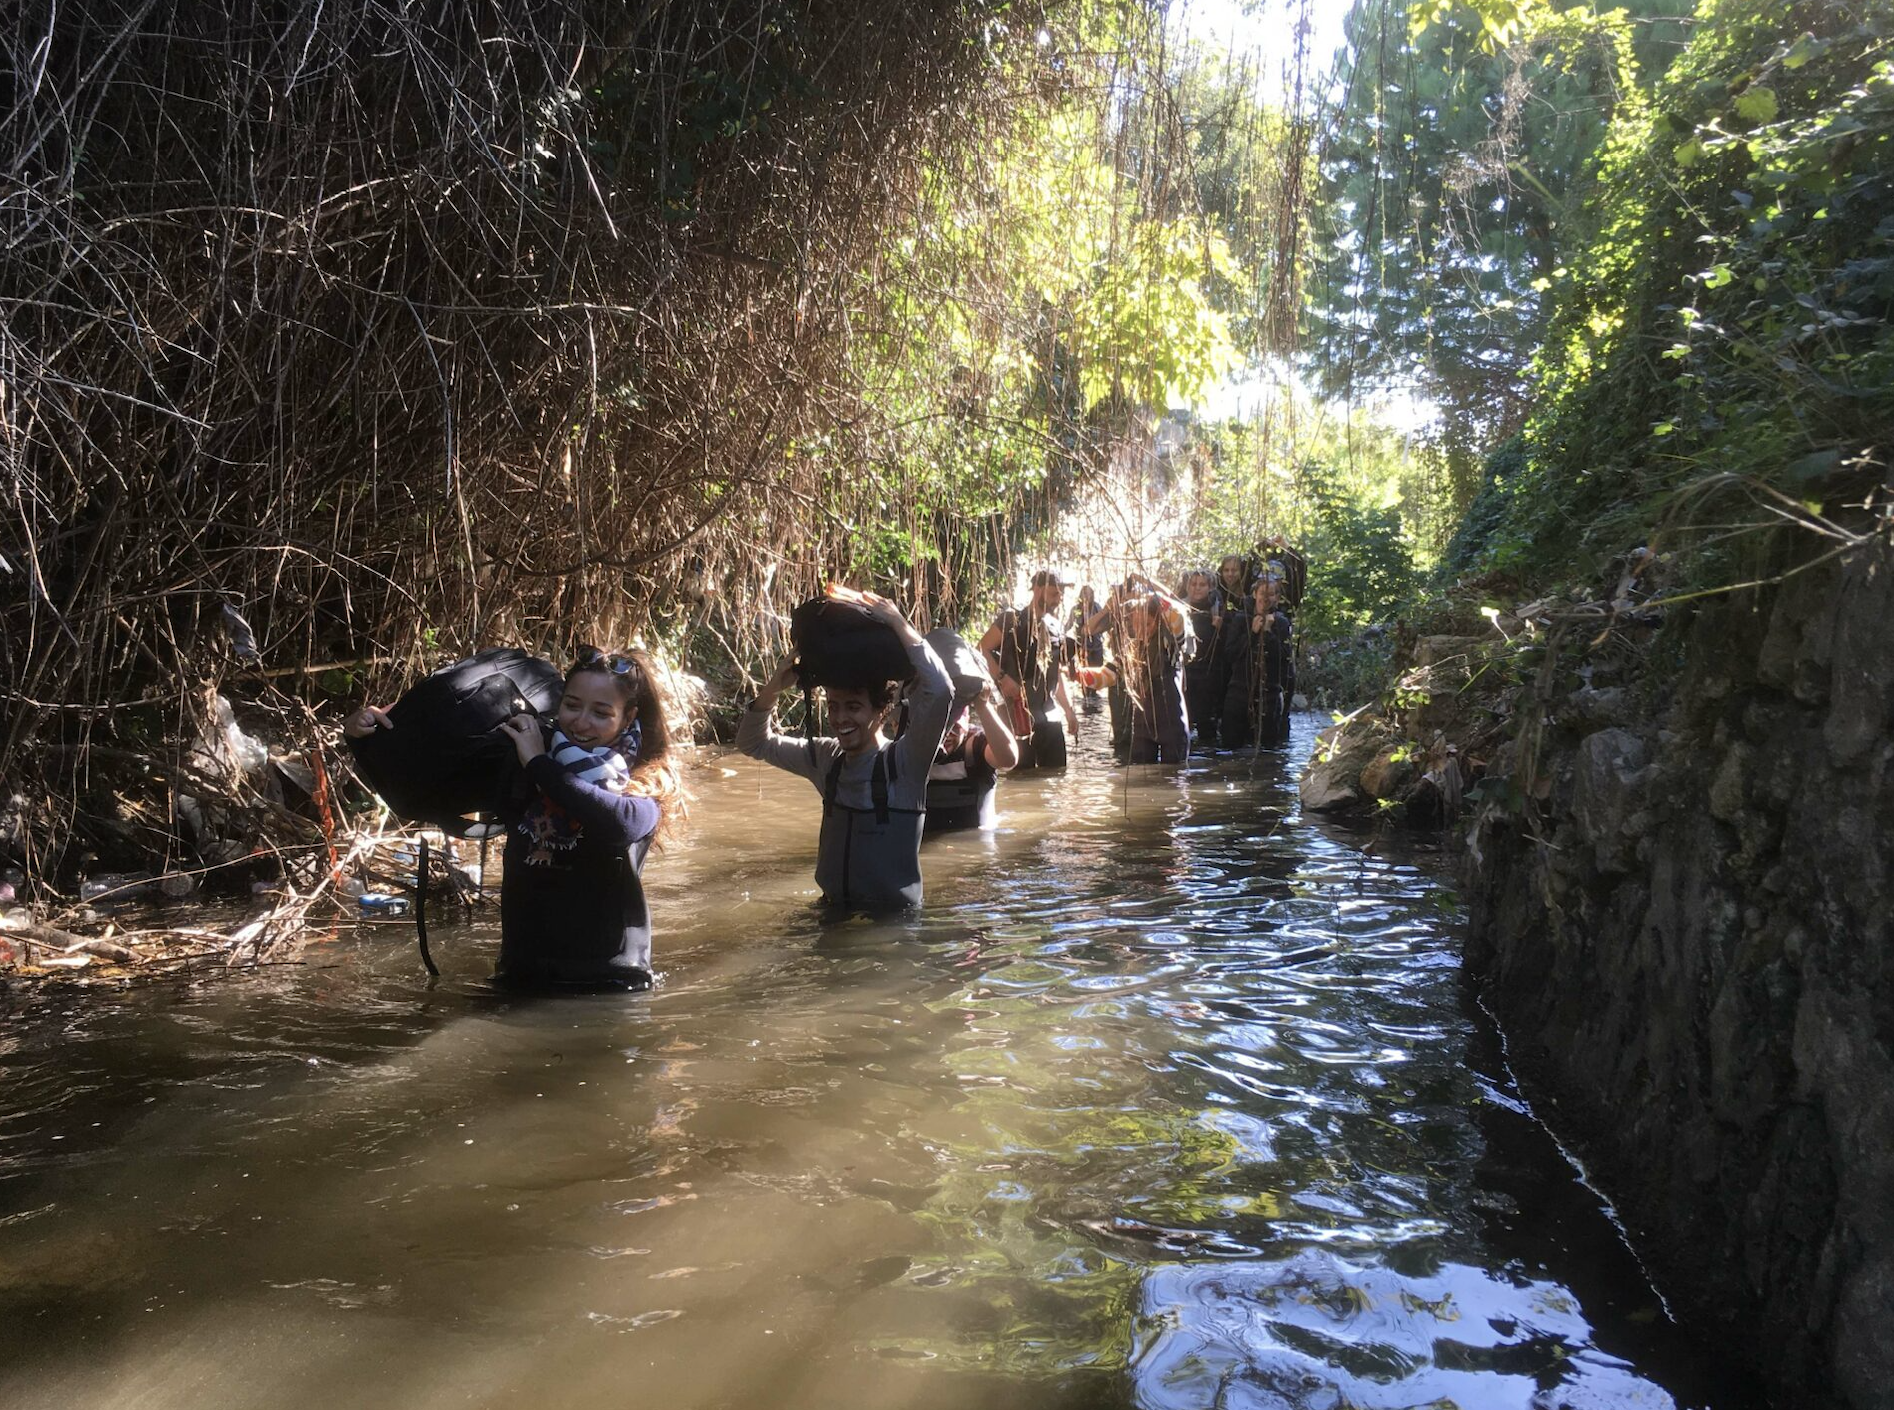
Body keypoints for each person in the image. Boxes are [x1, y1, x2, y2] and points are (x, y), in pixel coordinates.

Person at [343, 645, 684, 990]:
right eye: (572, 705)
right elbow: (424, 796)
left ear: (628, 718)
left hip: (610, 981)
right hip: (522, 973)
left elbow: (620, 824)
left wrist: (538, 763)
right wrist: (365, 739)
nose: (581, 722)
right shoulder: (526, 755)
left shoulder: (643, 781)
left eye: (601, 712)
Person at [738, 591, 951, 911]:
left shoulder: (906, 763)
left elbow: (941, 690)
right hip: (830, 911)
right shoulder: (826, 760)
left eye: (853, 707)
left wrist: (897, 622)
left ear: (882, 710)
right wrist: (772, 689)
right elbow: (753, 743)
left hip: (891, 925)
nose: (840, 719)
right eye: (833, 707)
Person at [1085, 572, 1193, 764]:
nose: (1141, 628)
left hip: (1172, 725)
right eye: (1136, 624)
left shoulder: (1172, 642)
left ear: (1159, 621)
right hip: (1143, 726)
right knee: (1142, 780)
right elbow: (1105, 676)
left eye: (1147, 623)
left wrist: (1145, 590)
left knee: (1173, 780)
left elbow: (1177, 609)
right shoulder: (1131, 651)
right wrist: (1078, 674)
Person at [977, 570, 1079, 769]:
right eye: (1053, 594)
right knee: (1020, 780)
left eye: (1060, 595)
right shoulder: (1011, 619)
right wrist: (1002, 677)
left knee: (1057, 774)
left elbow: (1055, 673)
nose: (1058, 599)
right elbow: (981, 649)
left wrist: (1068, 711)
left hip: (1050, 717)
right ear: (1038, 590)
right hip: (1016, 715)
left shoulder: (1056, 627)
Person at [925, 678, 1022, 834]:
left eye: (954, 727)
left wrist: (983, 704)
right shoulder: (913, 748)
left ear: (967, 721)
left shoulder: (976, 746)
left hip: (978, 848)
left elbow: (1009, 759)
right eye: (940, 728)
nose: (946, 735)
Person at [1178, 569, 1224, 753]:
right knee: (1184, 720)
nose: (1197, 589)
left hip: (1209, 674)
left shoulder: (1217, 610)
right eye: (1193, 584)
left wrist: (1220, 628)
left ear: (1210, 587)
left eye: (1202, 585)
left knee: (1207, 725)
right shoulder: (1179, 608)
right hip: (1185, 673)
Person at [1250, 565, 1296, 748]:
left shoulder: (1282, 622)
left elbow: (1284, 656)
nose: (1265, 598)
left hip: (1275, 687)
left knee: (1275, 738)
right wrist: (1254, 634)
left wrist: (1267, 633)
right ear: (1255, 594)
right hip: (1247, 689)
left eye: (1271, 594)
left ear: (1277, 598)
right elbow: (1233, 654)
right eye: (1262, 593)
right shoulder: (1243, 618)